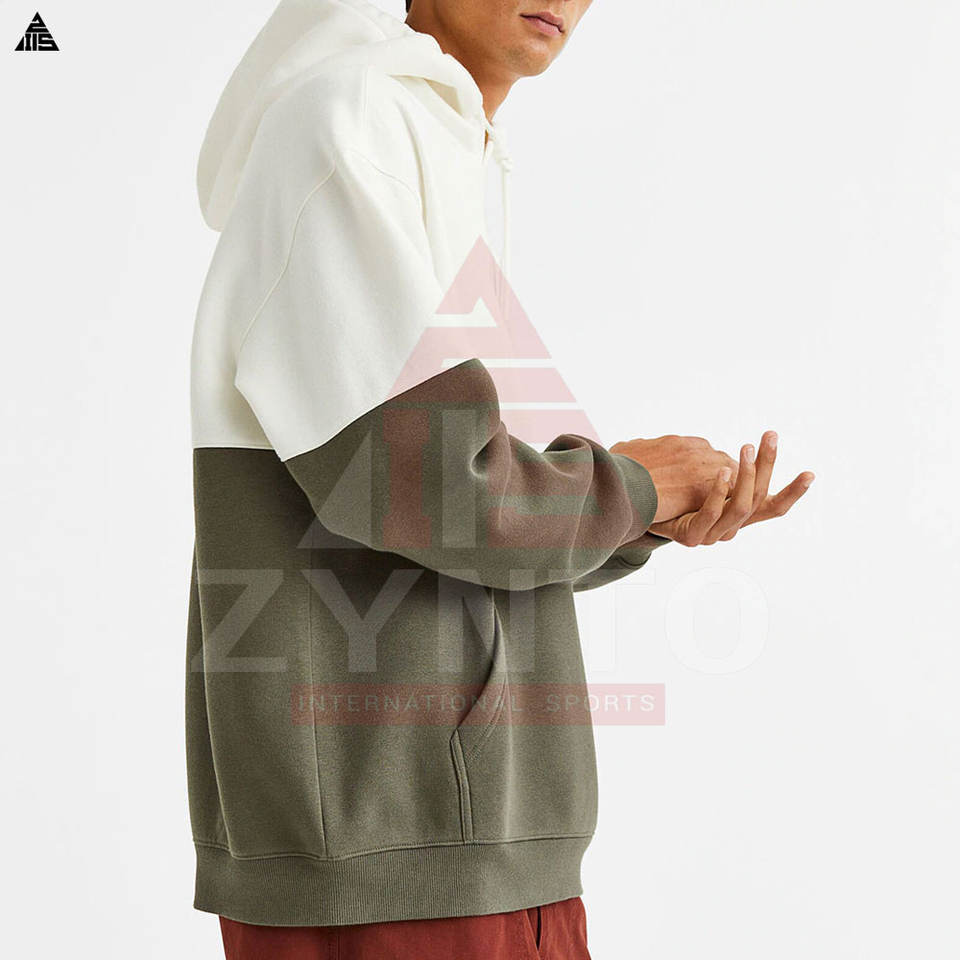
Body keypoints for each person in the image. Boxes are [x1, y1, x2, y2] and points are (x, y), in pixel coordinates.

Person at [187, 1, 814, 956]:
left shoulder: (434, 140)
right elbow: (451, 494)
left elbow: (475, 513)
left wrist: (646, 513)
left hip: (457, 839)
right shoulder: (349, 124)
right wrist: (637, 488)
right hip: (397, 856)